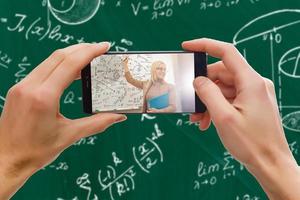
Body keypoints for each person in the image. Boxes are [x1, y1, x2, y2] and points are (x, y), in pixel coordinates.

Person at [0, 38, 299, 200]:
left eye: (159, 70)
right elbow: (131, 77)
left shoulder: (170, 87)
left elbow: (162, 100)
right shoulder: (147, 83)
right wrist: (274, 162)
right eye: (155, 70)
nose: (157, 73)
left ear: (162, 72)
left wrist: (10, 161)